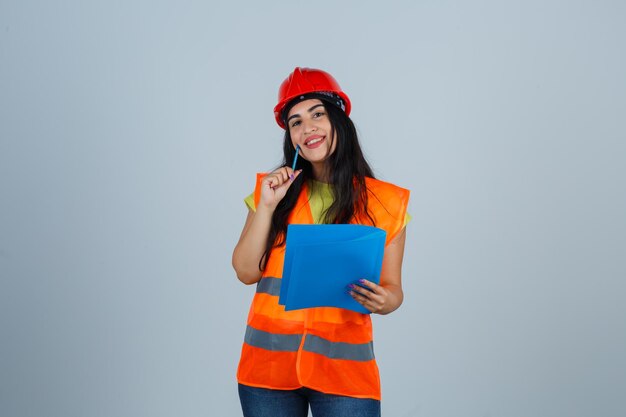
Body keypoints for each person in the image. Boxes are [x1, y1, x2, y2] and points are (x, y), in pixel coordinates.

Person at [232, 67, 410, 417]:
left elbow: (393, 290)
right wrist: (267, 205)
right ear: (290, 136)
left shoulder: (385, 202)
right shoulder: (270, 192)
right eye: (295, 121)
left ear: (339, 122)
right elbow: (245, 271)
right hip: (267, 370)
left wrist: (385, 300)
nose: (307, 127)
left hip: (344, 375)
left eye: (318, 114)